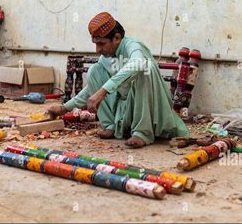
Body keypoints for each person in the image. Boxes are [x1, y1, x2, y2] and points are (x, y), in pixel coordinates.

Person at [47, 12, 190, 148]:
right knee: (94, 71)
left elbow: (138, 64)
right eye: (95, 44)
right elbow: (93, 89)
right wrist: (64, 108)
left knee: (144, 68)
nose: (97, 49)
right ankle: (111, 126)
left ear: (116, 38)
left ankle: (143, 133)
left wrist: (103, 91)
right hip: (125, 111)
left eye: (101, 44)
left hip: (152, 109)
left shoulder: (133, 45)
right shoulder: (107, 57)